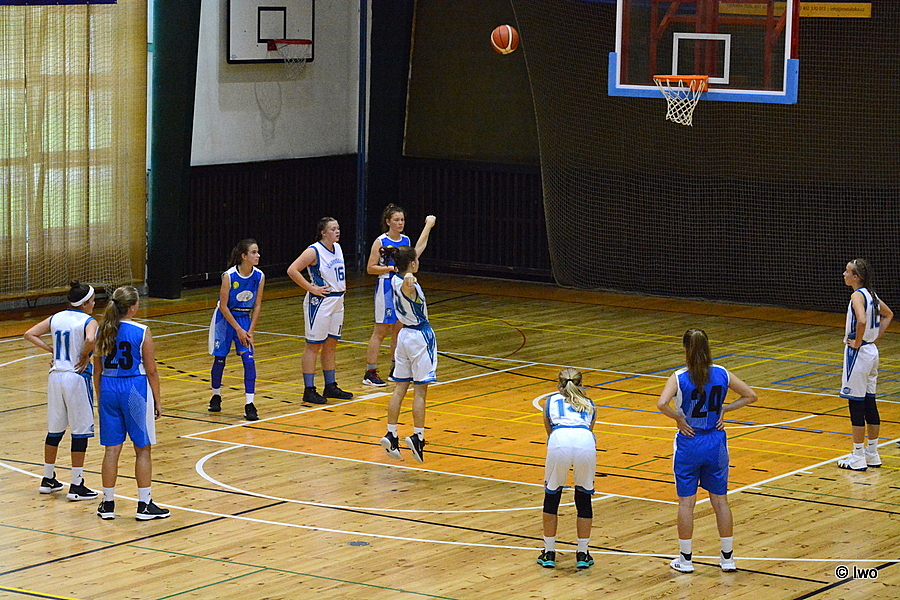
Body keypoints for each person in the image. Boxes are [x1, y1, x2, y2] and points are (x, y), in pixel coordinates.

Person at [657, 328, 757, 573]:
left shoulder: (679, 377)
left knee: (686, 503)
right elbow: (750, 395)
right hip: (716, 442)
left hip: (689, 442)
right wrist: (725, 409)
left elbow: (661, 403)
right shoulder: (722, 373)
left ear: (685, 349)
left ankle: (686, 560)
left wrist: (679, 418)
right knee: (721, 501)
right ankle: (727, 558)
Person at [93, 286, 169, 521]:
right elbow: (152, 370)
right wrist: (158, 400)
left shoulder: (102, 329)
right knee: (142, 448)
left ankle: (107, 504)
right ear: (133, 307)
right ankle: (144, 504)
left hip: (108, 387)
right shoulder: (141, 331)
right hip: (134, 389)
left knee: (112, 449)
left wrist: (100, 397)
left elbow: (97, 370)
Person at [24, 281, 99, 501]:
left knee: (55, 430)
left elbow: (30, 334)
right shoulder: (89, 321)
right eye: (93, 301)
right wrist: (84, 355)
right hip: (76, 377)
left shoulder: (56, 317)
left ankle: (48, 478)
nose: (94, 304)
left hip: (55, 376)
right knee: (80, 431)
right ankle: (76, 485)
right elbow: (90, 339)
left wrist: (53, 350)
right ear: (84, 303)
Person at [362, 205, 436, 386]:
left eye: (402, 220)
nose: (400, 223)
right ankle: (370, 372)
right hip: (386, 286)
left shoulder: (406, 239)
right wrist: (390, 268)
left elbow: (415, 254)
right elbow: (370, 268)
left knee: (398, 329)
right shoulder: (381, 241)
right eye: (396, 220)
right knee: (380, 331)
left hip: (401, 284)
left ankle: (396, 367)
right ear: (388, 222)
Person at [287, 217, 354, 405]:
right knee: (313, 345)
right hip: (321, 302)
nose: (337, 231)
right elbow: (292, 270)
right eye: (333, 229)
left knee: (331, 344)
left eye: (338, 228)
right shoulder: (313, 250)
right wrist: (312, 288)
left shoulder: (337, 248)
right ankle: (309, 389)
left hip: (338, 300)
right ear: (323, 232)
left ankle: (330, 385)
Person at [379, 245, 436, 463]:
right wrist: (410, 280)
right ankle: (417, 437)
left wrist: (428, 228)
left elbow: (416, 251)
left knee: (400, 388)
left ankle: (391, 433)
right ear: (412, 264)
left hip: (403, 336)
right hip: (420, 336)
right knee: (420, 390)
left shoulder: (393, 278)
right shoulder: (407, 284)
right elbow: (408, 285)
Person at [536, 368, 597, 570]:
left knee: (552, 496)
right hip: (584, 441)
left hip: (559, 439)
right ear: (581, 384)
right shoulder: (590, 403)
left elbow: (549, 431)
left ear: (558, 385)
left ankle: (549, 552)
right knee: (584, 497)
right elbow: (589, 429)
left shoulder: (550, 402)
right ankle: (583, 553)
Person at [836, 259, 893, 471]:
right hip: (872, 352)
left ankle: (858, 456)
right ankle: (872, 453)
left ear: (856, 277)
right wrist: (874, 337)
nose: (844, 274)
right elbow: (888, 314)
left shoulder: (857, 296)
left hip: (858, 354)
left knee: (856, 404)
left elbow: (861, 321)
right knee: (870, 402)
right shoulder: (871, 294)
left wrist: (859, 341)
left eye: (847, 271)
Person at [207, 239, 265, 421]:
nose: (258, 255)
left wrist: (250, 331)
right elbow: (223, 306)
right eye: (254, 252)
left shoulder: (259, 276)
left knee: (249, 359)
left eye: (257, 252)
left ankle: (250, 404)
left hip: (244, 318)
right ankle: (216, 395)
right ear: (244, 256)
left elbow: (257, 305)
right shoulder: (229, 276)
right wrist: (238, 329)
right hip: (225, 319)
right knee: (220, 359)